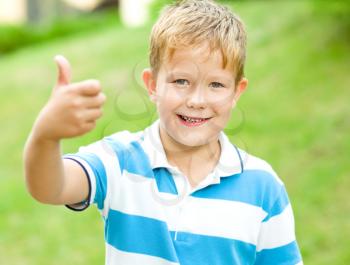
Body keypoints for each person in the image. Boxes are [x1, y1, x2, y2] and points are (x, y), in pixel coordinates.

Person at [23, 0, 303, 264]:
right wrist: (46, 137)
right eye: (181, 81)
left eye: (216, 85)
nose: (197, 100)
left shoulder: (264, 187)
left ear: (236, 92)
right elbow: (50, 188)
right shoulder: (118, 161)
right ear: (153, 85)